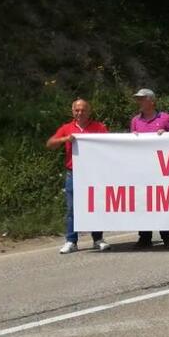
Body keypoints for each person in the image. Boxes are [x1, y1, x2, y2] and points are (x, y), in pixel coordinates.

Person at [47, 99, 110, 254]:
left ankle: (98, 239)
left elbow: (110, 144)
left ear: (89, 111)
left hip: (94, 173)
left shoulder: (99, 127)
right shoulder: (67, 128)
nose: (80, 113)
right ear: (73, 111)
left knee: (95, 206)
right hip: (73, 173)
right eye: (77, 110)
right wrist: (64, 139)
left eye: (83, 110)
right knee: (72, 208)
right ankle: (71, 241)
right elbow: (50, 144)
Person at [130, 88, 169, 249]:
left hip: (162, 169)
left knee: (163, 203)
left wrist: (166, 134)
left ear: (151, 101)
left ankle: (167, 236)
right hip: (142, 169)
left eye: (142, 99)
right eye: (138, 99)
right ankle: (144, 237)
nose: (139, 102)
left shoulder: (165, 118)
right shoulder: (135, 121)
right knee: (143, 202)